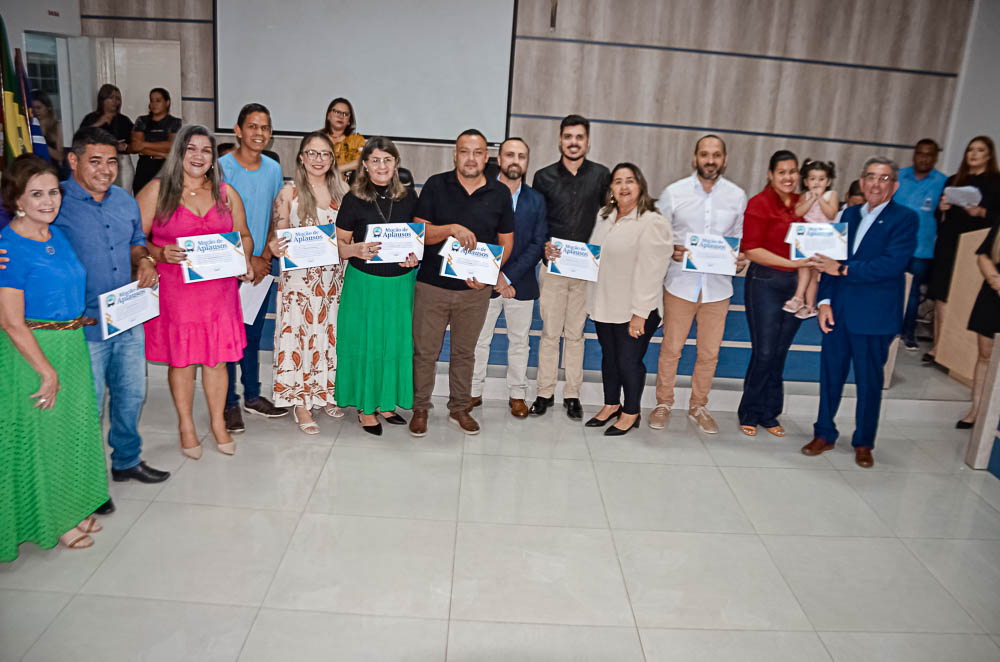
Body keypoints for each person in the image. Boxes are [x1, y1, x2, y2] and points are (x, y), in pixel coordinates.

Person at [0, 154, 109, 559]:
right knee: (43, 438)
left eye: (52, 192)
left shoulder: (54, 235)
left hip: (71, 344)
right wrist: (45, 371)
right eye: (36, 194)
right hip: (33, 353)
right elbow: (11, 321)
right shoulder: (9, 248)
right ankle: (54, 520)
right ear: (17, 200)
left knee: (72, 432)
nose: (48, 201)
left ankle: (73, 506)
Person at [54, 127, 170, 500]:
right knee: (87, 405)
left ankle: (126, 461)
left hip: (126, 316)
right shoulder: (55, 201)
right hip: (81, 323)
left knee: (131, 394)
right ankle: (84, 482)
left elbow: (137, 243)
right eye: (95, 161)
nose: (105, 170)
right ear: (74, 161)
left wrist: (146, 261)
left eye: (111, 162)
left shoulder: (124, 201)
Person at [137, 124, 254, 458]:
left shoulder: (226, 193)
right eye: (191, 149)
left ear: (213, 157)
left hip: (219, 292)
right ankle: (186, 425)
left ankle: (218, 423)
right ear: (179, 153)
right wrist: (159, 254)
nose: (198, 156)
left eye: (206, 150)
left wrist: (243, 258)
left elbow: (244, 235)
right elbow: (134, 239)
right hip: (178, 292)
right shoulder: (157, 191)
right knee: (183, 360)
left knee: (217, 361)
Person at [803, 157, 918, 468]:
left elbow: (891, 265)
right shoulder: (848, 214)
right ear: (862, 181)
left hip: (874, 317)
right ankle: (824, 433)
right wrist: (824, 301)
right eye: (870, 177)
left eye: (883, 178)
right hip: (837, 312)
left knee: (869, 383)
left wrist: (841, 269)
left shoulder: (905, 219)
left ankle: (864, 441)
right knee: (830, 377)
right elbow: (829, 258)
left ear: (894, 185)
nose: (875, 184)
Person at [409, 129, 515, 437]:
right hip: (432, 286)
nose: (471, 158)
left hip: (474, 292)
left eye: (478, 152)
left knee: (465, 353)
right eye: (464, 151)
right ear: (455, 155)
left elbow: (506, 242)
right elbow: (420, 235)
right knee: (425, 352)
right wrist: (452, 229)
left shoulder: (499, 194)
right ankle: (420, 408)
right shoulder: (435, 185)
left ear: (486, 157)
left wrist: (487, 274)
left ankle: (459, 408)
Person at [566, 163, 672, 436]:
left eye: (630, 181)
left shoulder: (653, 221)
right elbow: (594, 256)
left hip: (635, 308)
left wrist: (641, 313)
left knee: (628, 361)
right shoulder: (605, 217)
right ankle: (611, 404)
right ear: (611, 188)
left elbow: (653, 271)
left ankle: (631, 411)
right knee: (609, 358)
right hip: (605, 303)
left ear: (640, 187)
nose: (624, 187)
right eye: (618, 181)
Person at [651, 135, 747, 433]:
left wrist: (740, 257)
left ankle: (698, 406)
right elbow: (658, 236)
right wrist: (671, 249)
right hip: (680, 282)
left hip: (718, 288)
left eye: (716, 155)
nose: (710, 160)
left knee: (709, 353)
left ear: (724, 160)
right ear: (695, 158)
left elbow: (740, 239)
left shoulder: (737, 196)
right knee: (671, 349)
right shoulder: (673, 193)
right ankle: (664, 403)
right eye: (704, 154)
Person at [335, 137, 420, 435]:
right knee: (368, 343)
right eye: (375, 160)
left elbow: (416, 241)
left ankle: (386, 403)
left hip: (400, 284)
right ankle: (365, 407)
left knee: (394, 344)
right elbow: (339, 245)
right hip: (365, 283)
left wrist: (414, 258)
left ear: (396, 163)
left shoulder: (409, 197)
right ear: (365, 165)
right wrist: (356, 249)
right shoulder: (353, 198)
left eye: (387, 160)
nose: (381, 166)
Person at [530, 114, 611, 419]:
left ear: (587, 141)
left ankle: (573, 395)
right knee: (550, 332)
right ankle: (544, 392)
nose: (573, 142)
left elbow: (609, 220)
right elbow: (537, 222)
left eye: (579, 137)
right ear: (560, 140)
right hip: (553, 265)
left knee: (576, 334)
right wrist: (543, 248)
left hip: (587, 269)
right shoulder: (543, 177)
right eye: (568, 137)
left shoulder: (602, 175)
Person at [267, 132, 348, 435]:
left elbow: (349, 236)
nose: (318, 159)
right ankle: (300, 402)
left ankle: (325, 391)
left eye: (325, 154)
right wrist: (278, 246)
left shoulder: (343, 192)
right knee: (300, 337)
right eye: (312, 153)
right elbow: (278, 238)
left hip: (333, 281)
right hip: (299, 282)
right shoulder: (288, 193)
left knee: (329, 335)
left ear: (332, 159)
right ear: (301, 157)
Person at [219, 103, 288, 432]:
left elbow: (275, 216)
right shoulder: (221, 167)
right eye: (252, 127)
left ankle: (253, 395)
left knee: (252, 334)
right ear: (238, 130)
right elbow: (216, 221)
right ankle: (228, 402)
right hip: (228, 270)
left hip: (261, 268)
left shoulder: (273, 168)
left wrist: (262, 259)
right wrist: (242, 262)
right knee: (227, 337)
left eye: (265, 128)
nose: (259, 133)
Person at [469, 137, 547, 418]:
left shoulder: (536, 200)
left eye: (522, 156)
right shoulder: (481, 193)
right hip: (484, 283)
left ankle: (517, 395)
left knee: (520, 342)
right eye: (510, 155)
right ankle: (473, 392)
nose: (516, 160)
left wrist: (508, 277)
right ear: (498, 160)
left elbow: (538, 243)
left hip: (521, 283)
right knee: (479, 340)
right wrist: (495, 276)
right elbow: (476, 238)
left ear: (527, 163)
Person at [737, 150, 809, 437]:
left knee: (780, 352)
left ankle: (769, 413)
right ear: (770, 174)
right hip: (765, 283)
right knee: (765, 351)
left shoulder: (804, 204)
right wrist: (792, 263)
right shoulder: (759, 203)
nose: (789, 177)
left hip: (798, 285)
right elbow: (751, 249)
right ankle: (750, 411)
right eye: (782, 172)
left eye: (793, 172)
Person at [925, 136, 999, 364]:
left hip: (976, 245)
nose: (973, 154)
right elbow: (938, 217)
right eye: (970, 150)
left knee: (963, 297)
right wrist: (942, 208)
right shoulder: (954, 180)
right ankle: (938, 347)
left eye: (980, 150)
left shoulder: (996, 183)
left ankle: (957, 353)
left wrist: (982, 213)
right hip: (949, 242)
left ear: (989, 155)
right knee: (941, 296)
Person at [894, 139, 948, 350]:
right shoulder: (899, 176)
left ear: (935, 158)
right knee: (891, 288)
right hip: (895, 245)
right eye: (920, 153)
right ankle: (890, 330)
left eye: (929, 155)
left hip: (921, 249)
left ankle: (908, 333)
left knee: (914, 292)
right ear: (914, 154)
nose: (924, 158)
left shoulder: (943, 182)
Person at [785, 159, 837, 319]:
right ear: (806, 181)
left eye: (821, 179)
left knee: (811, 272)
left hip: (824, 239)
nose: (817, 183)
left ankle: (802, 300)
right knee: (805, 268)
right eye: (813, 179)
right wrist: (812, 199)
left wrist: (820, 198)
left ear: (828, 181)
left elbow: (831, 214)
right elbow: (799, 212)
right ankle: (807, 304)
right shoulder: (804, 196)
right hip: (807, 238)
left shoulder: (831, 195)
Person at [962, 220, 1000, 429]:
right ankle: (977, 410)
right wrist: (996, 281)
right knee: (985, 355)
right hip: (993, 294)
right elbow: (984, 254)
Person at [79, 84, 134, 190]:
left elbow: (134, 142)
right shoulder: (91, 118)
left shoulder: (123, 120)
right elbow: (81, 138)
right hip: (97, 161)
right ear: (102, 99)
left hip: (121, 161)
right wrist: (99, 122)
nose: (115, 101)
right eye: (111, 97)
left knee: (122, 195)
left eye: (117, 98)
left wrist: (125, 146)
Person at [130, 87, 181, 194]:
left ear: (167, 102)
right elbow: (135, 146)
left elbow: (171, 146)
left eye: (158, 100)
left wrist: (144, 145)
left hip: (166, 167)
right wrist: (163, 153)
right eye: (152, 100)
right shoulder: (142, 121)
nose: (154, 104)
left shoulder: (175, 122)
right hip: (145, 166)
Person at [323, 97, 365, 177]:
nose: (341, 116)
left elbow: (361, 162)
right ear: (328, 116)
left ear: (349, 121)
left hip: (347, 186)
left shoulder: (356, 140)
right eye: (337, 112)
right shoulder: (317, 139)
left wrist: (334, 170)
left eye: (345, 114)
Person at [31, 89, 64, 169]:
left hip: (51, 169)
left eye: (39, 108)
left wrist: (41, 146)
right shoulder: (28, 126)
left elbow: (60, 156)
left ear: (48, 107)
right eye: (33, 108)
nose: (35, 111)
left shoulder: (57, 126)